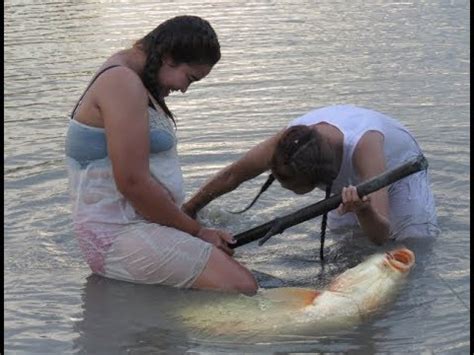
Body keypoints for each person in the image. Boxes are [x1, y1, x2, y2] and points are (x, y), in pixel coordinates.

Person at [65, 15, 257, 295]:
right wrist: (196, 232)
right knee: (242, 286)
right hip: (117, 236)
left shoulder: (130, 74)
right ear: (168, 57)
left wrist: (190, 230)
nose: (184, 89)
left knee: (230, 263)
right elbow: (132, 183)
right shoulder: (122, 82)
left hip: (137, 227)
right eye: (189, 78)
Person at [183, 104, 440, 257]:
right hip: (345, 173)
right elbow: (232, 175)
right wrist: (187, 212)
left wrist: (363, 210)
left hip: (401, 170)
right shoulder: (288, 142)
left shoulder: (366, 147)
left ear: (322, 179)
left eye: (295, 188)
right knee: (349, 250)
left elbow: (381, 235)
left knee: (412, 245)